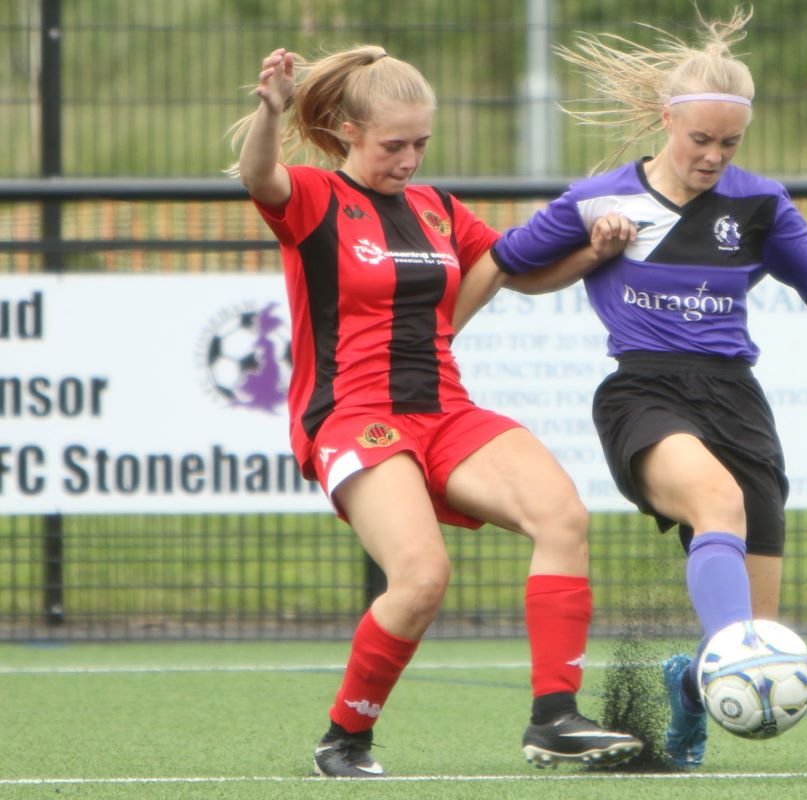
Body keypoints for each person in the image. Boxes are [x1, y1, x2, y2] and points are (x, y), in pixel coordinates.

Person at [474, 5, 807, 769]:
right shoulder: (601, 199)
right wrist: (576, 264)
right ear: (666, 120)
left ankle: (691, 682)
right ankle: (711, 663)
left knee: (753, 631)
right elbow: (509, 266)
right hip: (644, 393)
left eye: (728, 143)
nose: (712, 156)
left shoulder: (761, 204)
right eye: (699, 139)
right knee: (717, 505)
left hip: (735, 397)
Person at [229, 45, 642, 778]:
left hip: (446, 408)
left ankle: (554, 719)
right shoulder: (317, 197)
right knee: (421, 577)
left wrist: (595, 251)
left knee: (563, 516)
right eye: (394, 145)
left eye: (421, 142)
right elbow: (258, 176)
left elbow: (518, 273)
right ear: (348, 131)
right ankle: (345, 739)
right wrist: (270, 110)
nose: (410, 159)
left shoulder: (438, 208)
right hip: (354, 415)